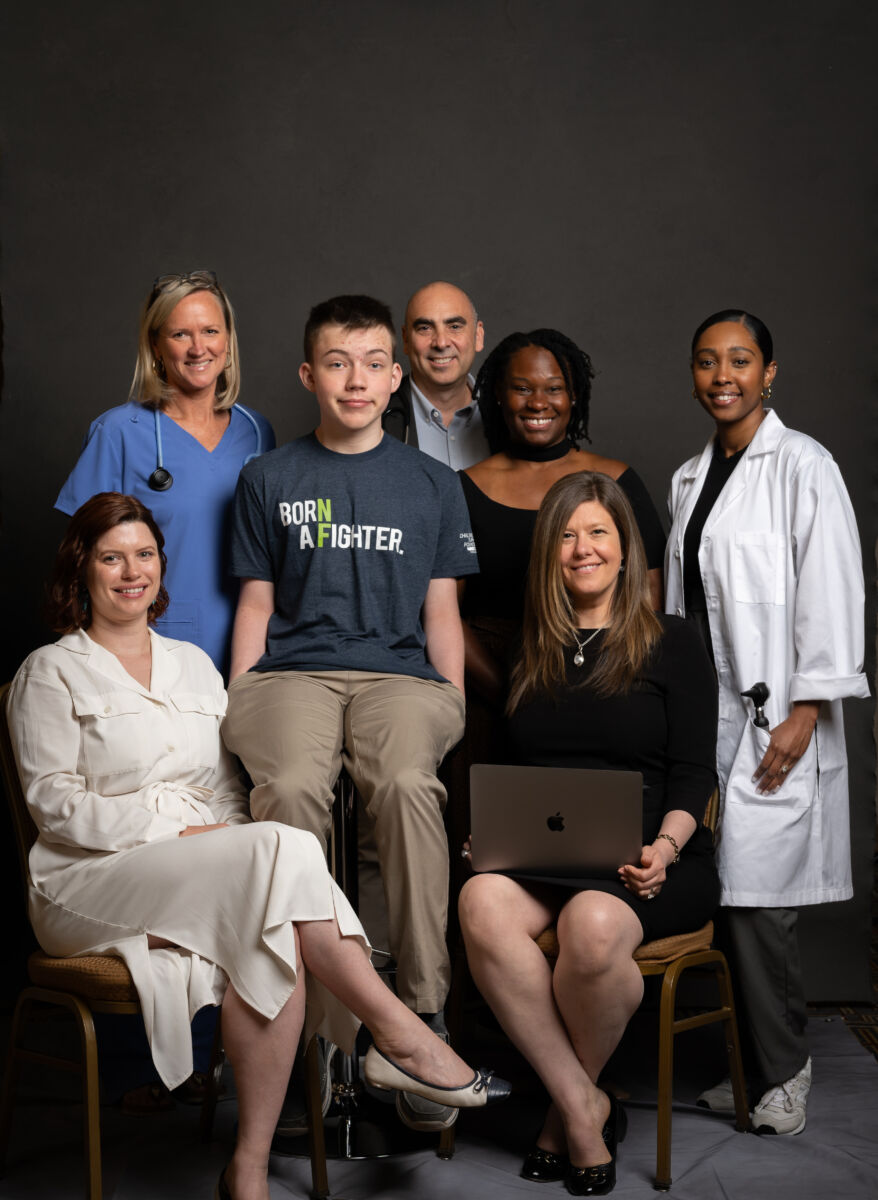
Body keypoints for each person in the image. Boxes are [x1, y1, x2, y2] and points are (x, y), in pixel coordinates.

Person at [7, 493, 509, 1200]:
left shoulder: (193, 667)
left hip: (196, 868)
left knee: (275, 918)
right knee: (280, 851)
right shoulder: (50, 671)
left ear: (160, 565)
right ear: (80, 569)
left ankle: (248, 1167)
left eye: (144, 555)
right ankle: (398, 1032)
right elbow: (53, 807)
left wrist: (215, 837)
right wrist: (178, 831)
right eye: (111, 557)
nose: (130, 572)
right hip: (86, 880)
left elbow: (225, 792)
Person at [221, 294, 479, 1133]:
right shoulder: (268, 479)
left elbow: (443, 612)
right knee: (292, 791)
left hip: (400, 679)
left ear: (396, 377)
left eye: (373, 363)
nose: (356, 379)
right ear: (308, 375)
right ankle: (310, 1029)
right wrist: (240, 695)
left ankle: (422, 1017)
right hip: (291, 675)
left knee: (405, 784)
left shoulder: (433, 484)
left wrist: (452, 702)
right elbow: (256, 603)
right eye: (337, 362)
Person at [459, 472, 719, 1196]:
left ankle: (559, 1120)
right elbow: (521, 770)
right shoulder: (531, 649)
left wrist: (663, 850)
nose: (583, 548)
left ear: (625, 546)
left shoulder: (674, 642)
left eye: (598, 532)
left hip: (651, 857)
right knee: (480, 901)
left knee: (594, 922)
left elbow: (695, 774)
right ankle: (582, 1105)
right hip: (551, 855)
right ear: (550, 553)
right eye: (568, 535)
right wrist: (497, 842)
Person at [665, 309, 868, 1136]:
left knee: (760, 909)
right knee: (717, 893)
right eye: (708, 361)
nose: (724, 376)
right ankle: (754, 1069)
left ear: (770, 372)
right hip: (703, 720)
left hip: (774, 719)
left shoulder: (805, 465)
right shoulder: (690, 476)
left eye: (740, 361)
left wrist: (807, 709)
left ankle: (785, 1073)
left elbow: (833, 592)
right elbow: (683, 608)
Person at [55, 269, 275, 676]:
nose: (198, 349)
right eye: (179, 335)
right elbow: (80, 562)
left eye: (210, 331)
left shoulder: (257, 432)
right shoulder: (119, 433)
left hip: (250, 642)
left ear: (228, 342)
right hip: (152, 641)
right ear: (155, 345)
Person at [461, 329, 666, 706]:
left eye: (553, 388)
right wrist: (505, 694)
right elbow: (444, 613)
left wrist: (615, 672)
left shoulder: (615, 480)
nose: (538, 403)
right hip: (490, 680)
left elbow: (649, 594)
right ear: (498, 396)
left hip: (605, 673)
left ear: (574, 396)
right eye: (522, 388)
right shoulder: (463, 488)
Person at [382, 280, 488, 468]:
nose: (441, 343)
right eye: (425, 328)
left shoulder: (507, 413)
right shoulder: (375, 417)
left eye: (454, 326)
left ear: (478, 336)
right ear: (406, 340)